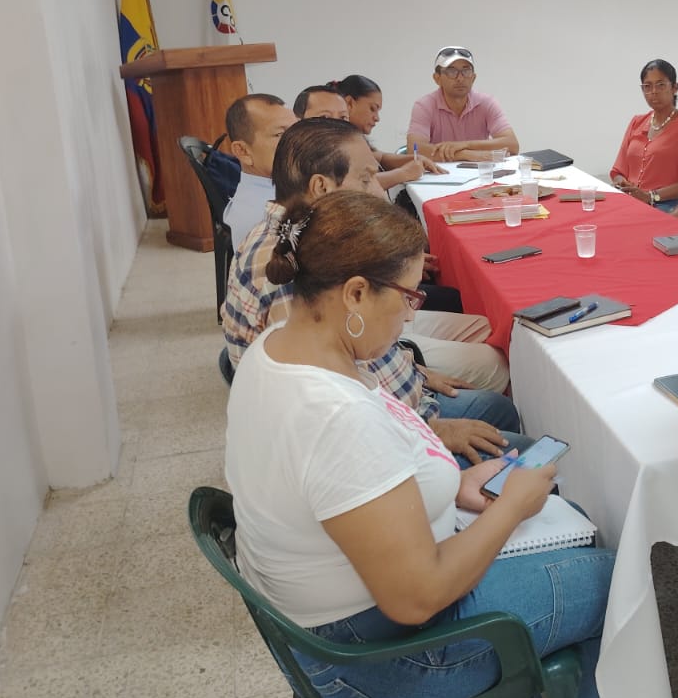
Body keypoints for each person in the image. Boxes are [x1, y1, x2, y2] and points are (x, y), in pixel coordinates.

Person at [224, 189, 617, 698]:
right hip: (373, 665)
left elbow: (365, 484)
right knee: (614, 583)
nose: (412, 312)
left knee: (566, 536)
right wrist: (512, 508)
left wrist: (454, 487)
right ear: (354, 292)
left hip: (326, 628)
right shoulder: (332, 416)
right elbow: (416, 597)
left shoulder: (280, 347)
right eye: (407, 296)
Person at [222, 118, 517, 456]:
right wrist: (433, 429)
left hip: (393, 401)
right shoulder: (287, 266)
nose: (378, 192)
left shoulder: (304, 235)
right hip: (383, 436)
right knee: (499, 402)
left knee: (486, 335)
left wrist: (415, 369)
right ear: (322, 187)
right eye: (365, 179)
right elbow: (333, 402)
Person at [608, 59, 678, 213]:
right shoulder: (637, 122)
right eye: (647, 86)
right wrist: (623, 185)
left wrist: (650, 196)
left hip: (669, 208)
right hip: (630, 203)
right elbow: (618, 171)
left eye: (661, 85)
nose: (654, 91)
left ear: (674, 87)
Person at [332, 74, 444, 194]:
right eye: (372, 109)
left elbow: (381, 158)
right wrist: (404, 173)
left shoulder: (353, 139)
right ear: (349, 103)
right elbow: (355, 186)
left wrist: (415, 159)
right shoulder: (335, 142)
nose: (377, 118)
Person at [406, 48, 521, 162]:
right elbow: (414, 149)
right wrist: (466, 154)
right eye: (452, 72)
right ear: (437, 78)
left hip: (479, 172)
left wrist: (465, 145)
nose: (460, 78)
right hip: (439, 172)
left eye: (466, 71)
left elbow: (512, 145)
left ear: (473, 78)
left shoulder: (487, 103)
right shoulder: (424, 106)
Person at [221, 94, 297, 251]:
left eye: (296, 131)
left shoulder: (280, 188)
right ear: (243, 151)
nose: (297, 142)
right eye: (279, 135)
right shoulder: (265, 217)